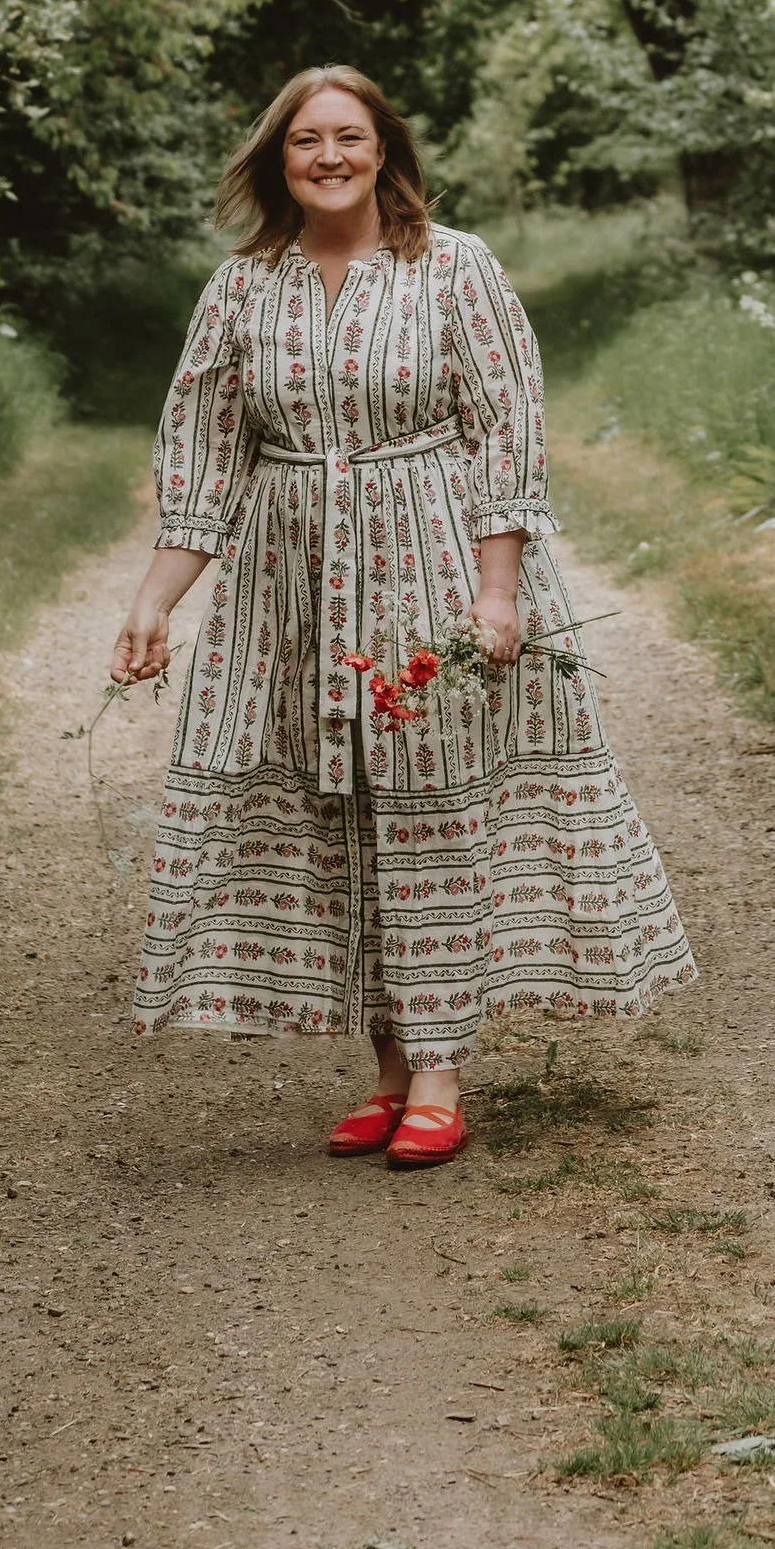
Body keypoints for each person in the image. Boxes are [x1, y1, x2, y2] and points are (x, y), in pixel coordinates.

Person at [111, 65, 695, 1168]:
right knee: (341, 815)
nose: (326, 157)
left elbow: (506, 429)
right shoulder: (243, 287)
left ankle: (437, 1068)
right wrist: (152, 604)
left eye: (346, 137)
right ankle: (386, 1066)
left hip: (427, 565)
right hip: (289, 589)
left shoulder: (452, 267)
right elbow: (199, 459)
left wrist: (495, 587)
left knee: (425, 810)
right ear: (277, 162)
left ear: (384, 151)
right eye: (303, 142)